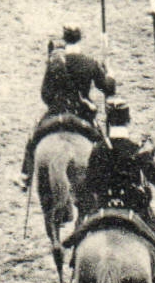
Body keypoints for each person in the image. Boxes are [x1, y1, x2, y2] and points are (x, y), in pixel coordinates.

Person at [15, 25, 115, 192]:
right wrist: (109, 72)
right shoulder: (90, 63)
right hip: (82, 113)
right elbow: (108, 89)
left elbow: (45, 94)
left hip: (56, 112)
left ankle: (25, 175)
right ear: (80, 37)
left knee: (33, 136)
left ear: (64, 38)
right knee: (103, 143)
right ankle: (108, 175)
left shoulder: (55, 63)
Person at [80, 97, 155, 240]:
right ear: (128, 120)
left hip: (103, 207)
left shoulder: (98, 149)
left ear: (108, 121)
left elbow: (90, 184)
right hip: (135, 209)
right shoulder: (138, 150)